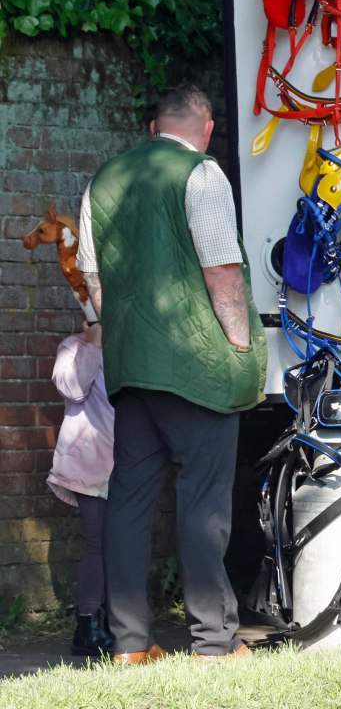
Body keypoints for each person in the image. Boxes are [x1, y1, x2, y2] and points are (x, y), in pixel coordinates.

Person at [76, 83, 267, 664]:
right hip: (196, 367)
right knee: (203, 502)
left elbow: (91, 276)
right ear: (205, 130)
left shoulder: (104, 179)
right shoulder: (203, 175)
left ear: (155, 126)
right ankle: (214, 640)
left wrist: (123, 337)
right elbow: (222, 270)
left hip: (132, 369)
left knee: (129, 501)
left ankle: (131, 642)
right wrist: (239, 347)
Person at [48, 321, 115, 658]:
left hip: (128, 460)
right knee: (98, 542)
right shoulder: (72, 347)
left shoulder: (133, 344)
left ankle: (118, 620)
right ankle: (87, 627)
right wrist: (93, 344)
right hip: (91, 460)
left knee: (124, 542)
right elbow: (72, 388)